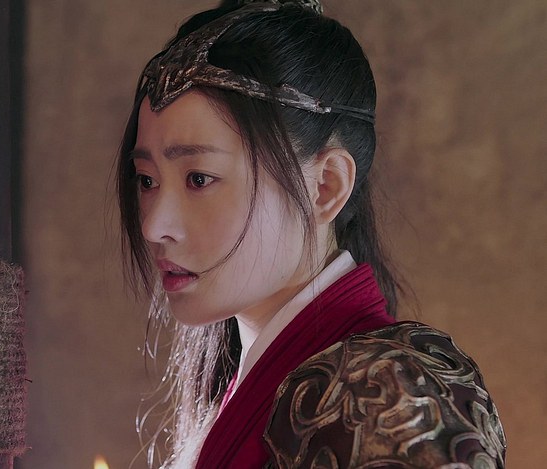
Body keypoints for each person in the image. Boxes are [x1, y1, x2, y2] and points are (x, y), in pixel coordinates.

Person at [114, 1, 507, 468]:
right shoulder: (240, 380)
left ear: (325, 187)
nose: (153, 225)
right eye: (147, 180)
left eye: (199, 178)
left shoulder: (385, 395)